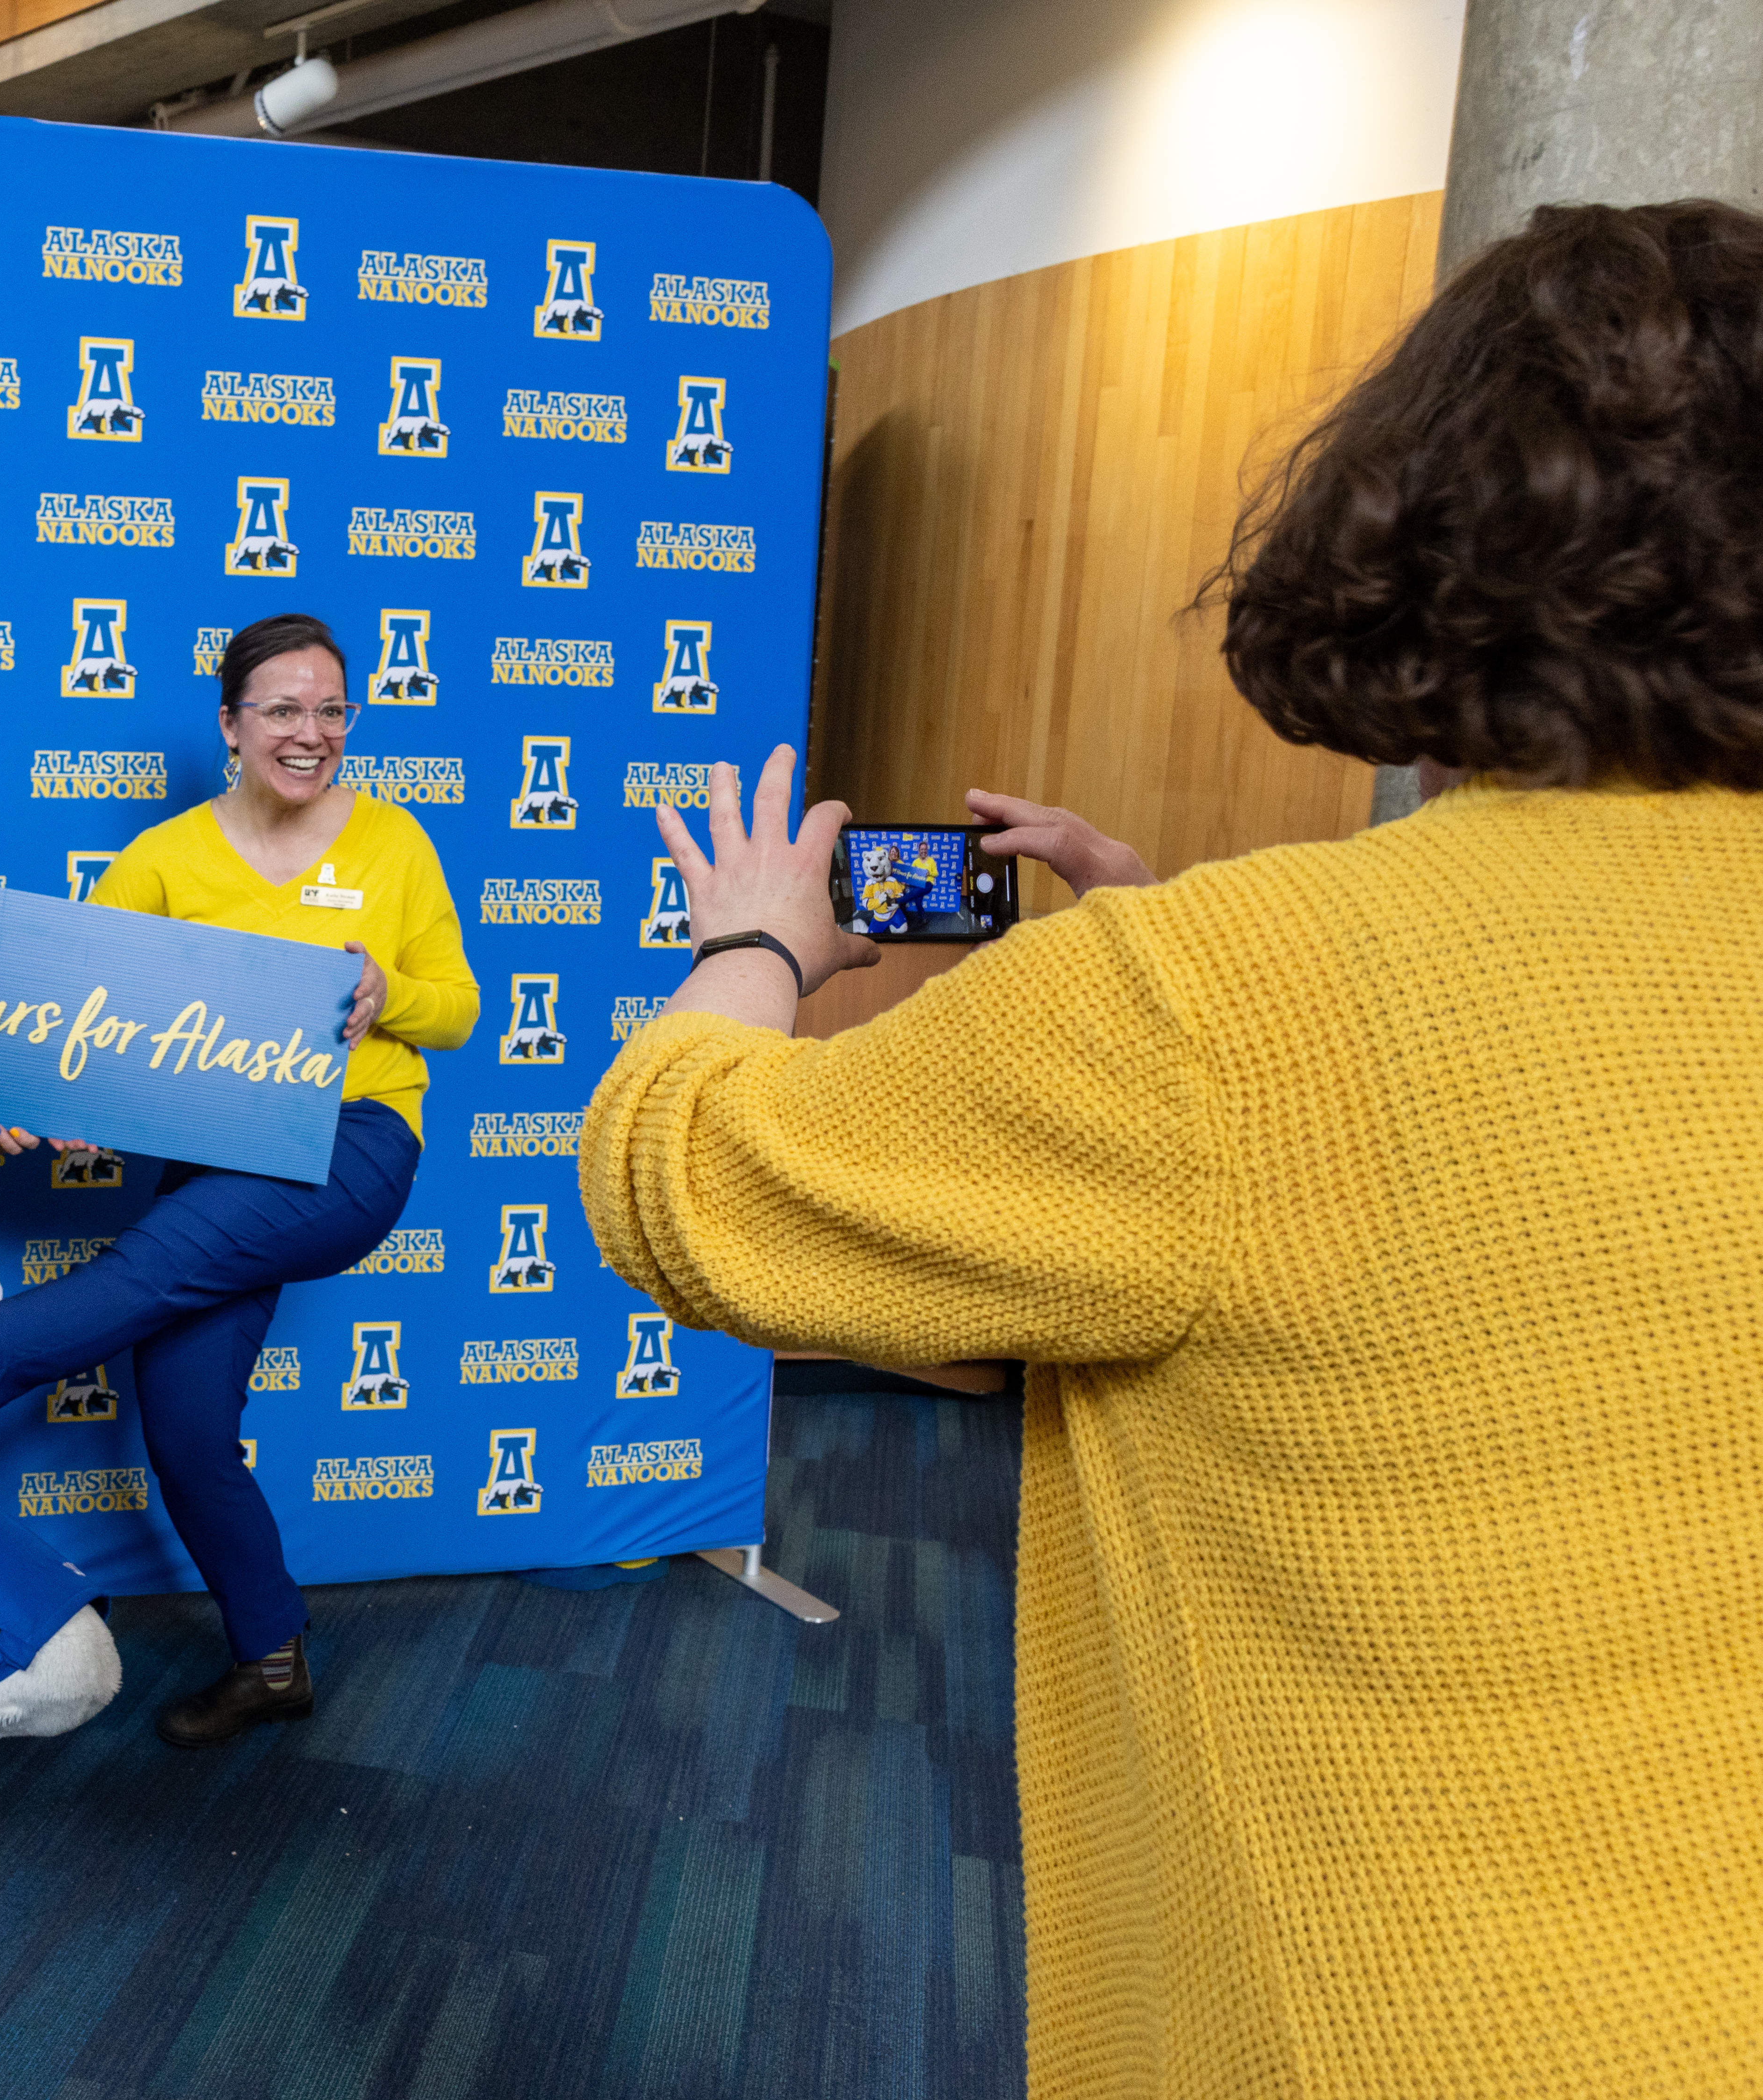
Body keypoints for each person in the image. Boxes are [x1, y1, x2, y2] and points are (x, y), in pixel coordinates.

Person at [579, 201, 1763, 2095]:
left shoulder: (1225, 1003)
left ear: (1431, 516)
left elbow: (686, 1171)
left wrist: (756, 941)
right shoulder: (1234, 989)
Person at [0, 612, 478, 1746]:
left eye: (331, 708)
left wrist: (392, 995)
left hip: (353, 1143)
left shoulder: (395, 842)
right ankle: (272, 1655)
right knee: (182, 1419)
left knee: (154, 1261)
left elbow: (460, 1005)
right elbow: (82, 1012)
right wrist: (22, 1097)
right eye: (282, 707)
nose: (310, 730)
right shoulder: (166, 857)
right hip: (216, 1153)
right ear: (230, 724)